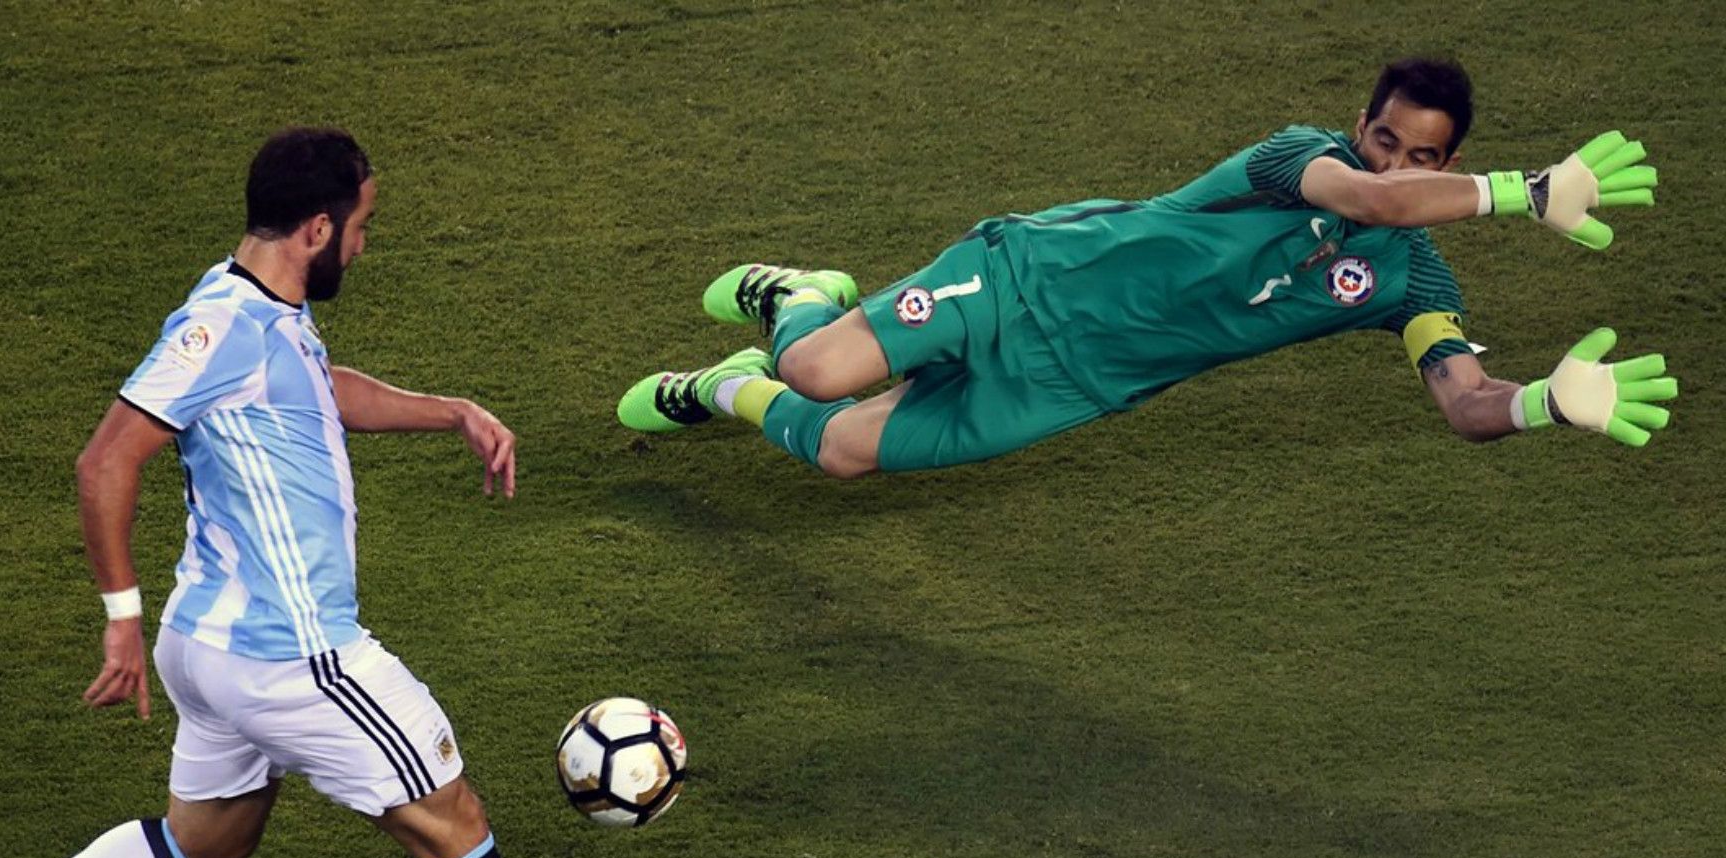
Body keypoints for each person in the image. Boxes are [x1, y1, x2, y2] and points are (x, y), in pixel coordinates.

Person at [0, 127, 702, 858]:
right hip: (294, 653)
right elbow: (106, 458)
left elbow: (313, 390)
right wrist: (118, 616)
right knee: (451, 820)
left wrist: (452, 410)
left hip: (216, 646)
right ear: (318, 226)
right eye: (360, 225)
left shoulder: (258, 306)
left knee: (210, 839)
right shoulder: (223, 327)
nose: (364, 243)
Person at [617, 58, 1676, 477]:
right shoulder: (1297, 160)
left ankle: (723, 387)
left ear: (1450, 160)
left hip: (1075, 383)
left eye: (1423, 155)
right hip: (1028, 279)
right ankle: (796, 299)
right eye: (1385, 138)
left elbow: (1465, 402)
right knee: (822, 371)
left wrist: (1544, 403)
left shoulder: (1413, 285)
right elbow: (1368, 200)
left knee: (844, 451)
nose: (1393, 162)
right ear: (1362, 126)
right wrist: (1526, 192)